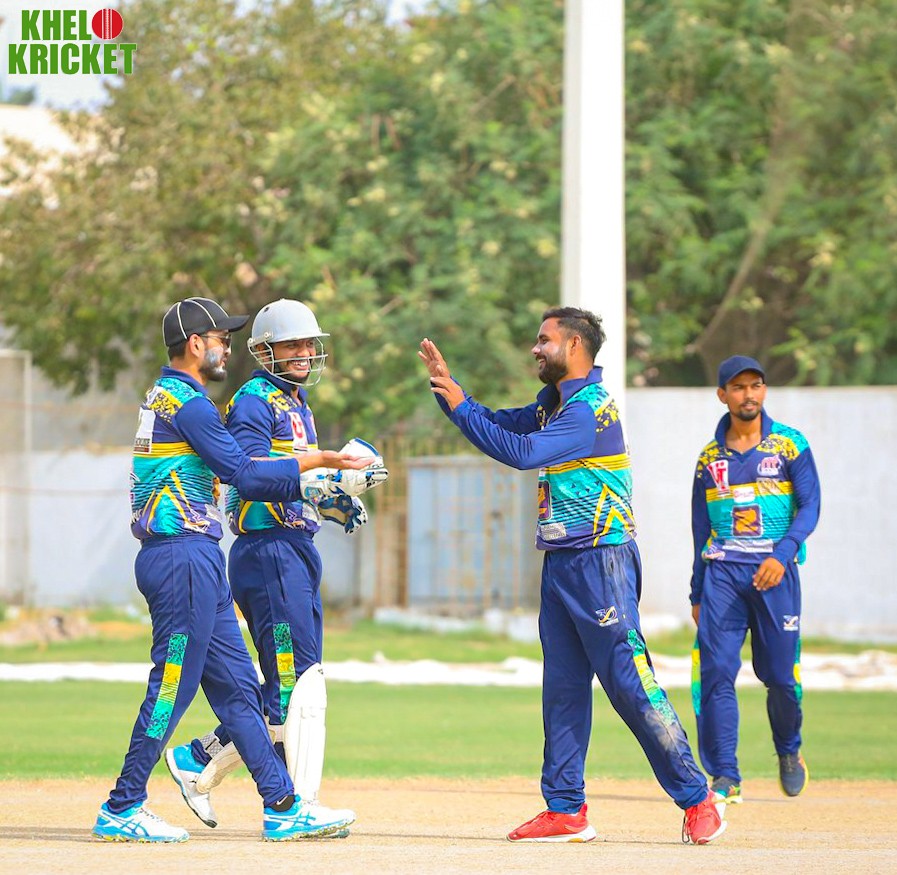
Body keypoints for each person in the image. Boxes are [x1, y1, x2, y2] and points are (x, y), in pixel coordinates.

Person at [419, 307, 726, 845]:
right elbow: (498, 424)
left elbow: (520, 454)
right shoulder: (553, 406)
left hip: (602, 560)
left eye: (545, 340)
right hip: (561, 560)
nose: (535, 348)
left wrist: (463, 407)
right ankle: (565, 809)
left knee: (629, 683)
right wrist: (452, 395)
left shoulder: (589, 411)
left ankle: (698, 798)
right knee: (562, 689)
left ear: (575, 346)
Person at [93, 297, 366, 843]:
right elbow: (247, 474)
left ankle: (283, 806)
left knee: (240, 689)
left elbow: (234, 471)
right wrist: (324, 463)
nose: (226, 349)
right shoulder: (190, 406)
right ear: (196, 344)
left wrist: (317, 487)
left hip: (197, 555)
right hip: (181, 557)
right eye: (221, 339)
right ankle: (123, 805)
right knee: (172, 684)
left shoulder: (170, 396)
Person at [164, 299, 386, 837]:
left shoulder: (297, 402)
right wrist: (321, 476)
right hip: (268, 554)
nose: (305, 352)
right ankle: (292, 806)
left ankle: (202, 758)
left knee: (294, 683)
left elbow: (289, 481)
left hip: (293, 548)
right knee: (297, 686)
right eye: (292, 345)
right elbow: (248, 474)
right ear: (265, 351)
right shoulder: (253, 401)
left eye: (309, 343)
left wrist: (327, 498)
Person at [690, 355, 821, 805]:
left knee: (780, 677)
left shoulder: (789, 445)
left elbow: (811, 506)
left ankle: (788, 749)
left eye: (756, 385)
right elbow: (700, 528)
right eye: (739, 387)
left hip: (774, 574)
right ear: (722, 395)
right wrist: (696, 590)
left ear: (764, 390)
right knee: (716, 674)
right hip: (723, 575)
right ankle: (725, 775)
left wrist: (782, 555)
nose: (749, 395)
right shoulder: (709, 459)